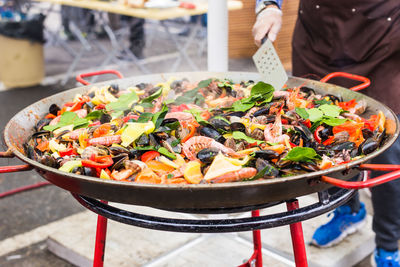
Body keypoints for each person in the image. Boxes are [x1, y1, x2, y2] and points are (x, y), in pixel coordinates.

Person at [253, 1, 400, 266]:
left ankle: (388, 244)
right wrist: (268, 5)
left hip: (383, 36)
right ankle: (348, 212)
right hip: (318, 35)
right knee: (318, 139)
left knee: (387, 152)